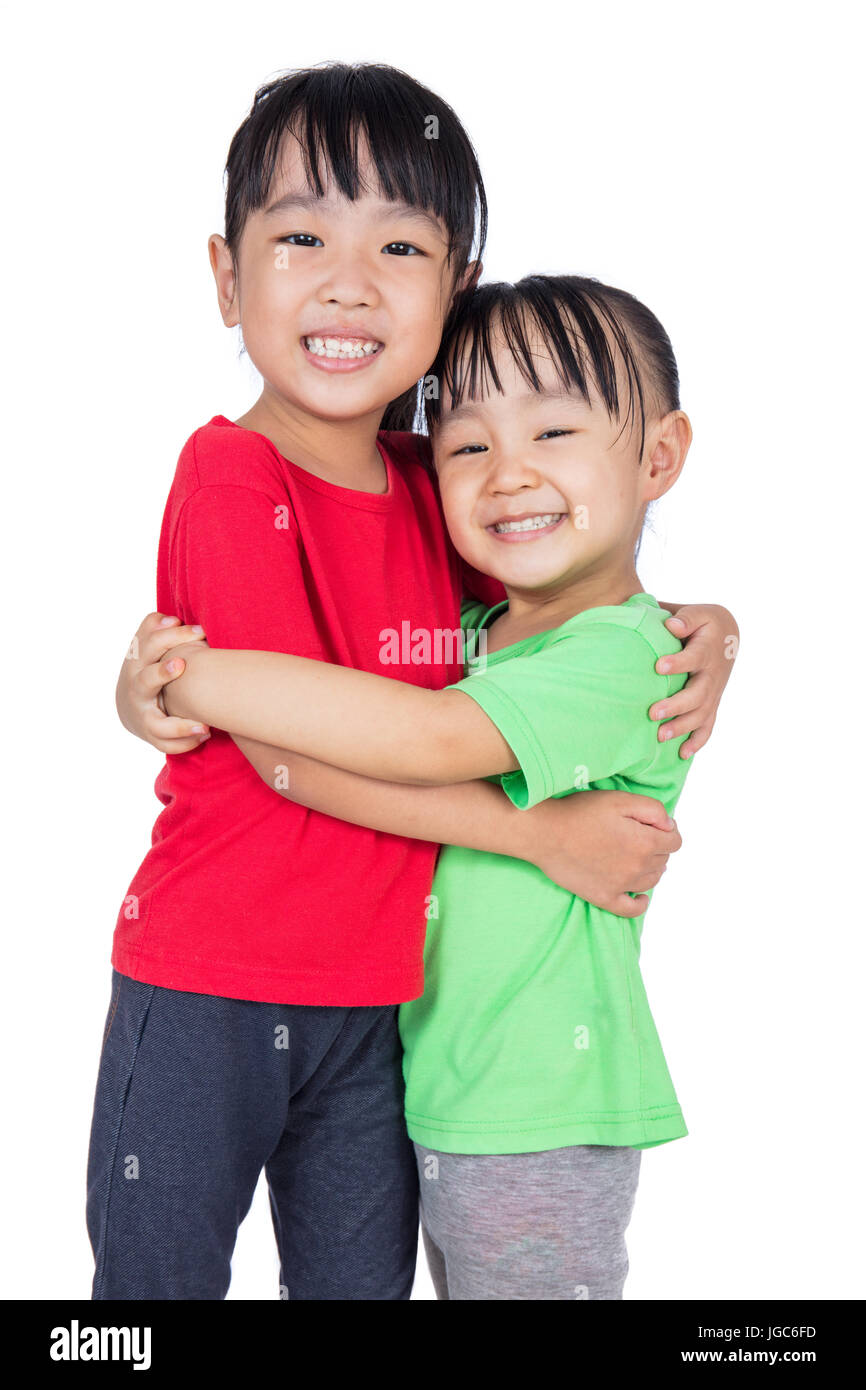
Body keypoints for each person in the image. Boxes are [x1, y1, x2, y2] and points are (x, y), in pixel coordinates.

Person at [103, 63, 737, 1300]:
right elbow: (285, 748)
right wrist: (535, 832)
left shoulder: (439, 478)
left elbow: (557, 587)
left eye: (399, 245)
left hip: (386, 1000)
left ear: (452, 291)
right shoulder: (233, 476)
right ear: (228, 279)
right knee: (153, 1290)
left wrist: (713, 622)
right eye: (299, 237)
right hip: (213, 970)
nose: (348, 281)